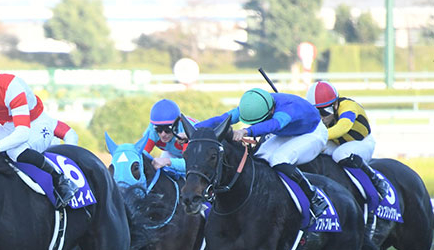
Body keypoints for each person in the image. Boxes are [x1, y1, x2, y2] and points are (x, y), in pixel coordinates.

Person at [0, 53, 79, 208]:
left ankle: (61, 179)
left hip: (36, 123)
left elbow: (22, 133)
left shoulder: (10, 88)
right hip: (10, 125)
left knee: (14, 151)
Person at [197, 88, 329, 221]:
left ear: (271, 111)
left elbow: (274, 125)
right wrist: (193, 129)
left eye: (260, 121)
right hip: (289, 131)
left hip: (312, 132)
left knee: (278, 159)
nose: (258, 124)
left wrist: (246, 131)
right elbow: (221, 119)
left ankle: (313, 197)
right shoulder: (255, 105)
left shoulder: (288, 109)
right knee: (258, 158)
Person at [306, 80, 388, 197]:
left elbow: (343, 127)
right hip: (338, 144)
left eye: (325, 111)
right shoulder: (325, 114)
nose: (321, 118)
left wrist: (317, 136)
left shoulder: (349, 106)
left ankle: (376, 180)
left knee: (340, 154)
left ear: (335, 105)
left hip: (362, 143)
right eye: (316, 112)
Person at [141, 99, 196, 174]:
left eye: (168, 129)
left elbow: (189, 164)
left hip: (196, 155)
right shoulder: (152, 131)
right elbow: (140, 156)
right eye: (159, 129)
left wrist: (168, 161)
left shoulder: (186, 131)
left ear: (177, 124)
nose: (163, 134)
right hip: (171, 153)